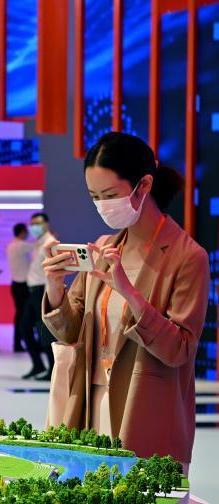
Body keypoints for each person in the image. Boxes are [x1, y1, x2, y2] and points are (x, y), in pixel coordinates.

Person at [41, 131, 206, 469]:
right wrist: (55, 287)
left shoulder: (188, 257)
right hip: (90, 409)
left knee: (141, 499)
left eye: (110, 195)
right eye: (94, 197)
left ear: (143, 185)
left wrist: (130, 294)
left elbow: (180, 349)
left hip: (145, 412)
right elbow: (72, 331)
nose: (102, 205)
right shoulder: (104, 248)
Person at [22, 213, 56, 379]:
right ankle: (38, 365)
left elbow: (54, 270)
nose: (34, 226)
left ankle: (52, 370)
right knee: (25, 328)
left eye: (37, 223)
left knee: (44, 331)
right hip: (33, 291)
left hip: (42, 291)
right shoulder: (38, 243)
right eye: (32, 223)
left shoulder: (50, 243)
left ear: (46, 224)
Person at [5, 222, 34, 352]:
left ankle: (17, 342)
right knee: (24, 315)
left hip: (16, 285)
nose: (28, 234)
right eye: (26, 231)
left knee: (20, 314)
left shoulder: (11, 245)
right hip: (22, 286)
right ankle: (22, 342)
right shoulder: (21, 245)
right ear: (22, 232)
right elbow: (38, 245)